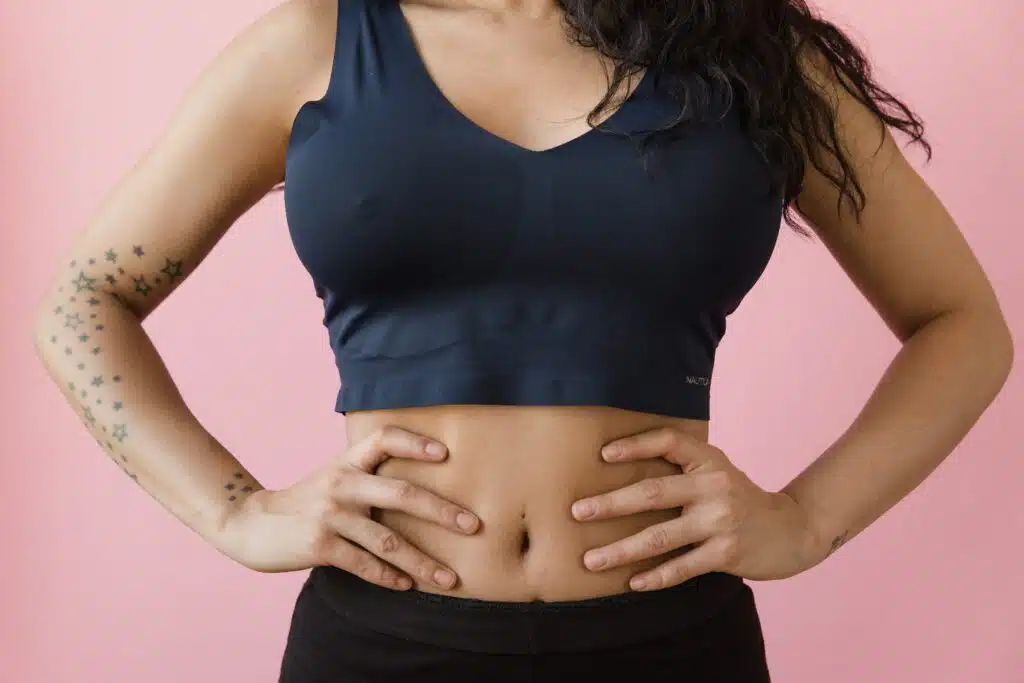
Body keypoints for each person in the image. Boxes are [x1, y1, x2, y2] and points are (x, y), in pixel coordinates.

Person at [32, 0, 1013, 680]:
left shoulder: (752, 55)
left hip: (670, 640)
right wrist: (234, 513)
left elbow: (962, 323)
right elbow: (82, 299)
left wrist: (806, 518)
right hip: (381, 642)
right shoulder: (318, 43)